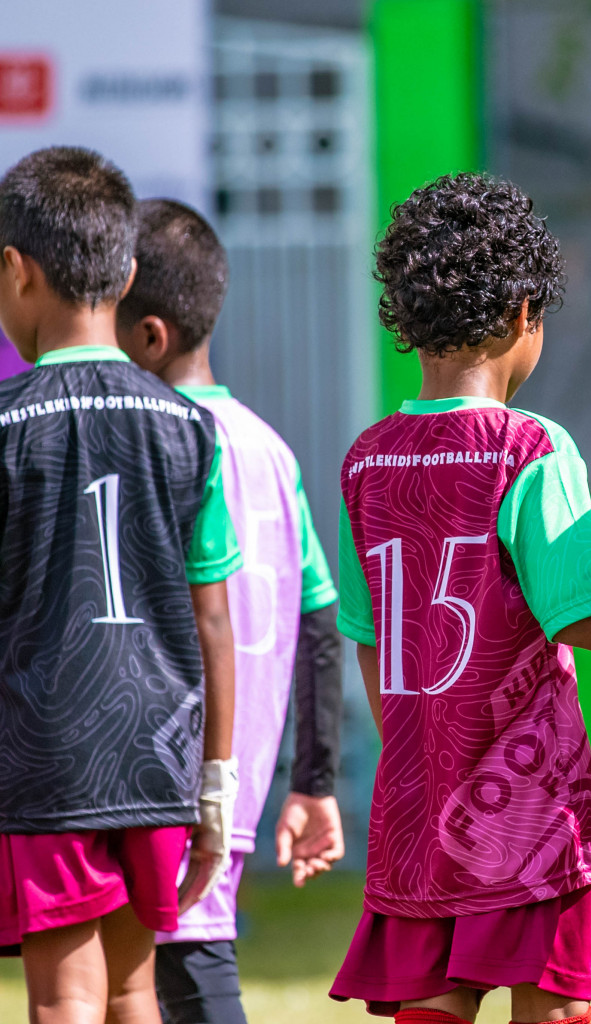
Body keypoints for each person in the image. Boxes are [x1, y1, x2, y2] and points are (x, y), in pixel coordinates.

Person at [328, 172, 591, 1024]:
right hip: (527, 808)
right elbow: (586, 617)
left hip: (419, 802)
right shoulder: (528, 448)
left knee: (432, 1006)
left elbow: (368, 636)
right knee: (553, 1007)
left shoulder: (367, 459)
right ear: (527, 312)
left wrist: (417, 749)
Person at [0, 146, 242, 1023]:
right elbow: (213, 620)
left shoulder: (5, 427)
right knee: (135, 987)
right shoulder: (190, 430)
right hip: (160, 754)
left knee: (64, 999)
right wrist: (217, 782)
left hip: (47, 759)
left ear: (15, 271)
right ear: (128, 270)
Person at [115, 197, 348, 1024]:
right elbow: (321, 619)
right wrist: (313, 781)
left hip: (168, 777)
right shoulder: (272, 448)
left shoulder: (153, 443)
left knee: (184, 977)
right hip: (236, 781)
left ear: (147, 335)